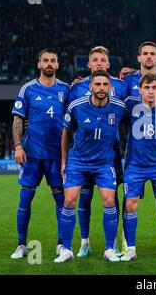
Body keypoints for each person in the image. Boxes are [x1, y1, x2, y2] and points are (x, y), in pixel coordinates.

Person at [54, 70, 127, 263]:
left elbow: (136, 122)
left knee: (109, 201)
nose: (101, 88)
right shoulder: (77, 106)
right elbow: (66, 133)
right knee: (69, 201)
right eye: (98, 84)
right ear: (91, 86)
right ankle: (67, 249)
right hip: (78, 161)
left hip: (104, 162)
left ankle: (109, 249)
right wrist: (64, 161)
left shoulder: (119, 107)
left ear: (110, 87)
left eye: (105, 84)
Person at [120, 41, 156, 254]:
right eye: (144, 53)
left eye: (152, 53)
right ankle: (129, 246)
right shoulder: (128, 95)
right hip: (135, 160)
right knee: (130, 203)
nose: (148, 57)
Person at [10, 48, 70, 259]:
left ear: (58, 64)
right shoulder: (28, 89)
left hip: (56, 155)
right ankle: (21, 245)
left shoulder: (66, 89)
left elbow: (73, 119)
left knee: (61, 201)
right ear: (39, 65)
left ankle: (62, 244)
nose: (49, 64)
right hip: (32, 154)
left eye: (53, 60)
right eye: (45, 60)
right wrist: (18, 146)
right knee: (25, 199)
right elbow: (18, 119)